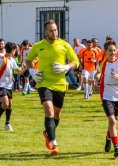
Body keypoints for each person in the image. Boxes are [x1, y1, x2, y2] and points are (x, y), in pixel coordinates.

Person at [25, 19, 79, 155]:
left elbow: (76, 62)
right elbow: (28, 60)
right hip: (44, 83)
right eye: (51, 30)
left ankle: (48, 133)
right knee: (48, 110)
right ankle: (54, 144)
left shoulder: (64, 45)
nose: (54, 32)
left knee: (57, 114)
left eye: (55, 30)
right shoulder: (38, 46)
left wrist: (66, 67)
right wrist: (32, 72)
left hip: (60, 85)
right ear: (45, 32)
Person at [96, 40, 118, 158]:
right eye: (110, 50)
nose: (113, 52)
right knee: (113, 121)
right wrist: (96, 77)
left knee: (112, 121)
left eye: (114, 50)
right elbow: (99, 73)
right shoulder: (103, 63)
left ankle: (108, 137)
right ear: (105, 52)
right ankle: (116, 147)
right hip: (106, 94)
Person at [0, 42, 25, 131]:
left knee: (9, 105)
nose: (16, 52)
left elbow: (19, 72)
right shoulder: (2, 60)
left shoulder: (12, 60)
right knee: (5, 103)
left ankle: (7, 123)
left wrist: (25, 68)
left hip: (9, 85)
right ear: (13, 50)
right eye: (15, 50)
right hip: (0, 85)